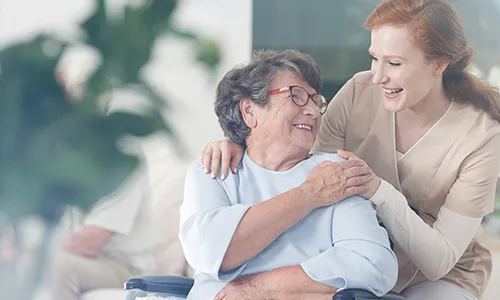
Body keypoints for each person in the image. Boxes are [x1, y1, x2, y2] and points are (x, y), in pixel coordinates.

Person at [199, 0, 500, 299]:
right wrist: (241, 140)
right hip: (357, 257)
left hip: (439, 276)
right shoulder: (360, 92)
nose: (378, 76)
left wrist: (377, 190)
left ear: (439, 63)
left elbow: (439, 260)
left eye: (394, 63)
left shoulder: (481, 136)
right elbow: (304, 165)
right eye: (374, 58)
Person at [179, 49, 398, 300]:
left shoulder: (335, 173)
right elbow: (209, 251)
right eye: (297, 96)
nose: (313, 112)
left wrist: (263, 289)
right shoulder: (215, 169)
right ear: (250, 111)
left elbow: (375, 264)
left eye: (316, 101)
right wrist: (309, 195)